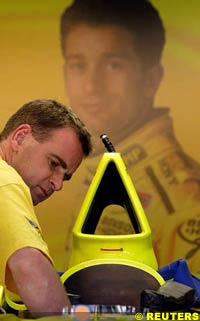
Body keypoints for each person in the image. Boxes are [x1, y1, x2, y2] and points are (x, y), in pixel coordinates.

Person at [59, 0, 200, 278]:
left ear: (151, 80)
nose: (91, 87)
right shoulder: (92, 161)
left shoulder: (180, 201)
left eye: (113, 65)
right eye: (78, 66)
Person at [0, 99, 92, 316]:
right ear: (20, 137)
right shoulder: (5, 180)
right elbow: (30, 266)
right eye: (53, 163)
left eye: (65, 177)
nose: (58, 185)